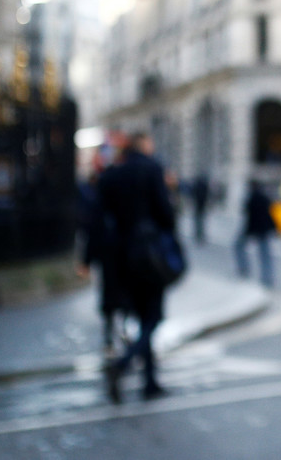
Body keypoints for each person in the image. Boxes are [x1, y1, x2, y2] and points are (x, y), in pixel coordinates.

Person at [97, 132, 175, 402]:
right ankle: (123, 364)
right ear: (143, 144)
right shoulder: (151, 169)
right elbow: (166, 214)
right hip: (148, 254)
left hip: (120, 257)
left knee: (141, 318)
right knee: (152, 318)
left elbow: (100, 217)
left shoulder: (110, 175)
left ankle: (150, 382)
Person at [77, 170, 124, 356]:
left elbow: (91, 235)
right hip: (117, 258)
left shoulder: (99, 205)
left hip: (109, 259)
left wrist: (86, 261)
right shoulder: (117, 206)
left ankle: (111, 335)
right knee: (114, 297)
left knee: (109, 297)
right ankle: (113, 334)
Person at [235, 180, 275, 287]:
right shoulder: (265, 197)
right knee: (265, 254)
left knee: (238, 246)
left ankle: (244, 269)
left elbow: (249, 215)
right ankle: (267, 277)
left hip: (254, 228)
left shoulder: (252, 198)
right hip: (263, 229)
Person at [191, 174, 210, 244]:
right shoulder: (204, 185)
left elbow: (193, 193)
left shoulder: (198, 185)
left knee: (198, 221)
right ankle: (199, 234)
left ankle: (198, 234)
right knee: (200, 221)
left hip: (198, 205)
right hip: (201, 205)